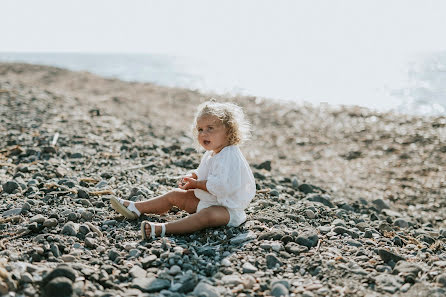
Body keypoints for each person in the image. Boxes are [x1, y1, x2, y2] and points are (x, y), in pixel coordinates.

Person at [110, 100, 256, 240]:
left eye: (210, 128)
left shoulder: (230, 156)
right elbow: (202, 172)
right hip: (210, 200)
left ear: (229, 131)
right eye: (200, 129)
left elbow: (223, 187)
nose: (203, 133)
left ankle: (162, 228)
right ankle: (136, 207)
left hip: (228, 209)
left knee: (205, 217)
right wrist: (192, 176)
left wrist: (197, 184)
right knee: (175, 195)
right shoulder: (211, 153)